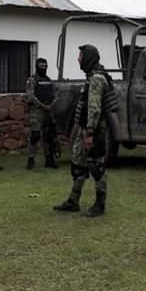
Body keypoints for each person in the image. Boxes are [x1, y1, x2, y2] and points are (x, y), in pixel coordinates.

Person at [54, 45, 109, 218]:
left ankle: (100, 204)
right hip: (85, 128)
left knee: (96, 166)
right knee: (78, 163)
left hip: (94, 130)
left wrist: (90, 133)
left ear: (88, 58)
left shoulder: (97, 79)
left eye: (81, 55)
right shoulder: (92, 77)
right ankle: (73, 201)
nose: (78, 59)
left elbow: (94, 108)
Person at [25, 58, 58, 170]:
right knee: (35, 135)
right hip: (37, 111)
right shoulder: (32, 80)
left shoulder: (49, 80)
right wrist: (43, 105)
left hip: (48, 111)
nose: (43, 68)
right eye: (41, 66)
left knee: (49, 136)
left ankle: (49, 159)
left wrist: (52, 104)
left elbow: (55, 94)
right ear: (37, 67)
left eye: (45, 66)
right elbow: (30, 96)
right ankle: (31, 159)